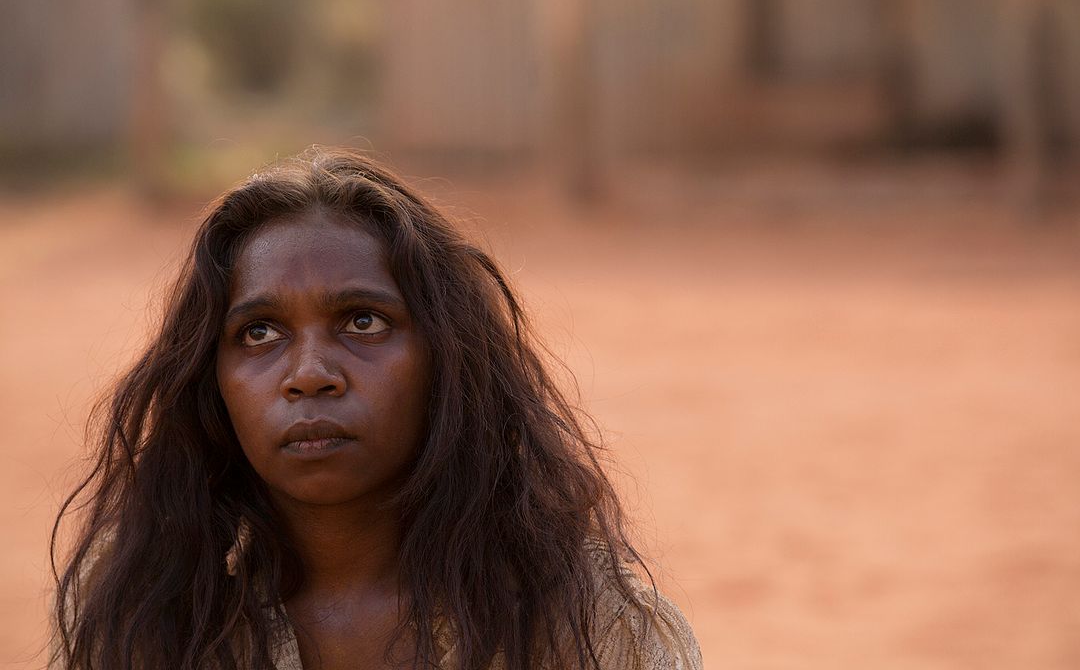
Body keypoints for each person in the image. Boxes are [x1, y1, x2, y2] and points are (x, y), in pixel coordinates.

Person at [49, 148, 702, 670]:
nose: (309, 374)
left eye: (363, 321)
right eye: (259, 333)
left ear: (446, 359)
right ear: (210, 380)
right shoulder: (143, 604)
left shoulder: (575, 614)